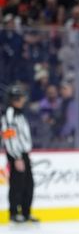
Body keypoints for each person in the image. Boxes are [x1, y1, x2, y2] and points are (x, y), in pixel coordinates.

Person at [1, 84, 37, 223]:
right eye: (21, 97)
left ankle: (26, 212)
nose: (23, 99)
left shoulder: (20, 114)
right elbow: (9, 138)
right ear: (15, 99)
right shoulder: (10, 115)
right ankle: (14, 213)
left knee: (29, 184)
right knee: (17, 183)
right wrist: (17, 157)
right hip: (16, 154)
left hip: (24, 153)